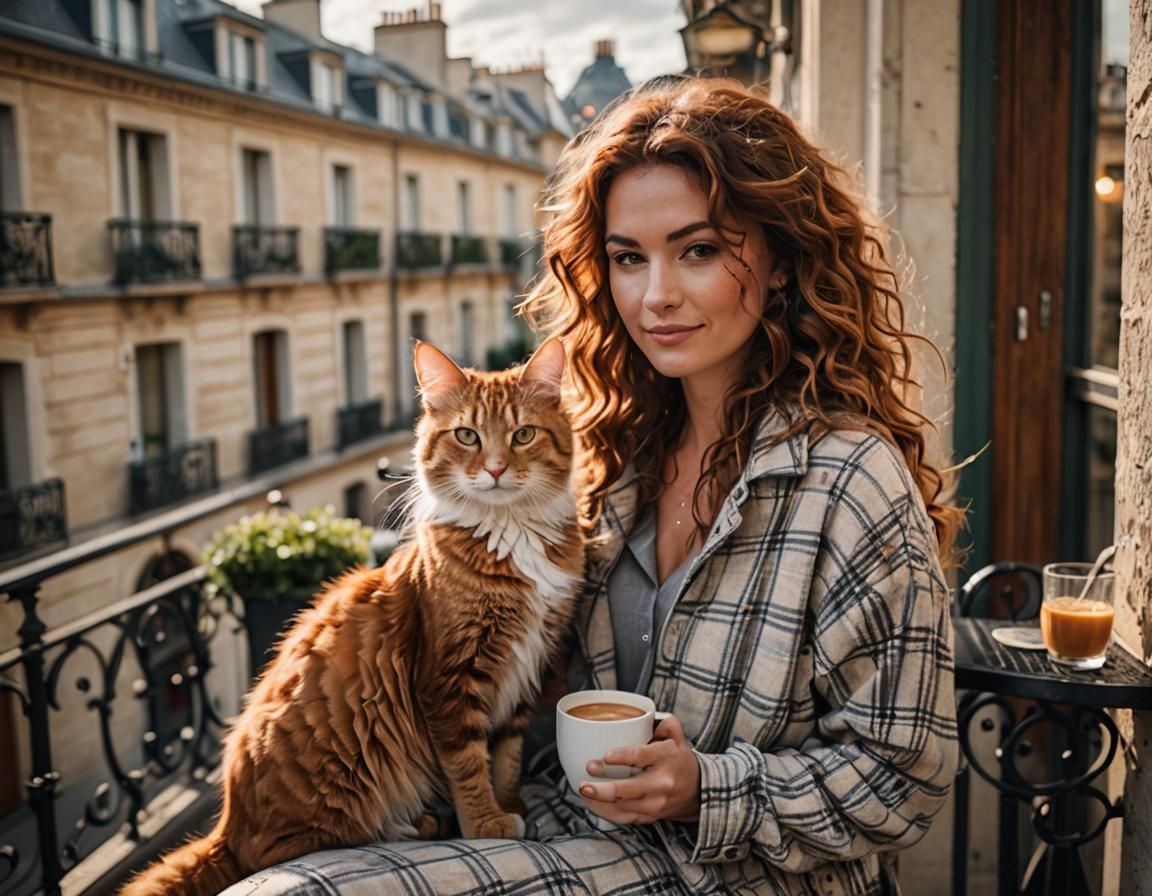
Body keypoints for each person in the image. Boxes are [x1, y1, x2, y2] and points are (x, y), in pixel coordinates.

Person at [220, 75, 960, 896]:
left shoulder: (851, 479)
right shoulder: (612, 455)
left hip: (734, 875)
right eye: (627, 258)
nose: (656, 296)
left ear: (780, 258)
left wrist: (706, 789)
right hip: (572, 833)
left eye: (700, 250)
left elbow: (906, 779)